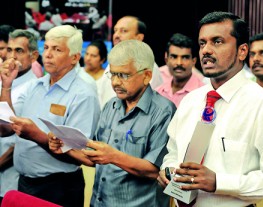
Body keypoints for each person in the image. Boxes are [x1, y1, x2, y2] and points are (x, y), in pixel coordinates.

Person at [157, 11, 263, 207]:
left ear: (242, 51)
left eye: (217, 41)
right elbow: (172, 152)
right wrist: (169, 171)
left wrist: (219, 182)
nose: (206, 50)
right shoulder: (191, 101)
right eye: (202, 43)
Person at [49, 39, 176, 207]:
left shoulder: (163, 112)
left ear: (146, 76)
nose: (115, 82)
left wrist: (113, 156)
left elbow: (156, 172)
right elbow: (94, 156)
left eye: (123, 75)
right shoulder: (111, 106)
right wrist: (65, 148)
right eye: (113, 74)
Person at [0, 25, 100, 207]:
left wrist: (36, 135)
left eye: (57, 49)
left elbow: (80, 155)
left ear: (75, 57)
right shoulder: (35, 86)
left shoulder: (83, 94)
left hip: (59, 187)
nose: (48, 54)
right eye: (46, 47)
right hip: (25, 183)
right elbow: (5, 128)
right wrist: (6, 86)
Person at [0, 29, 40, 205]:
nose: (12, 56)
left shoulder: (35, 88)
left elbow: (21, 137)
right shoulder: (2, 80)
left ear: (33, 56)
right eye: (9, 50)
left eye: (19, 50)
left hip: (11, 177)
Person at [97, 15, 163, 109]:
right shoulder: (112, 64)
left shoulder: (148, 67)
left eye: (123, 31)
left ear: (139, 37)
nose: (116, 35)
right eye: (115, 30)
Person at [155, 33, 205, 107]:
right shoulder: (158, 92)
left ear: (194, 61)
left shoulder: (203, 94)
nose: (179, 63)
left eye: (185, 57)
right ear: (166, 59)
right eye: (174, 57)